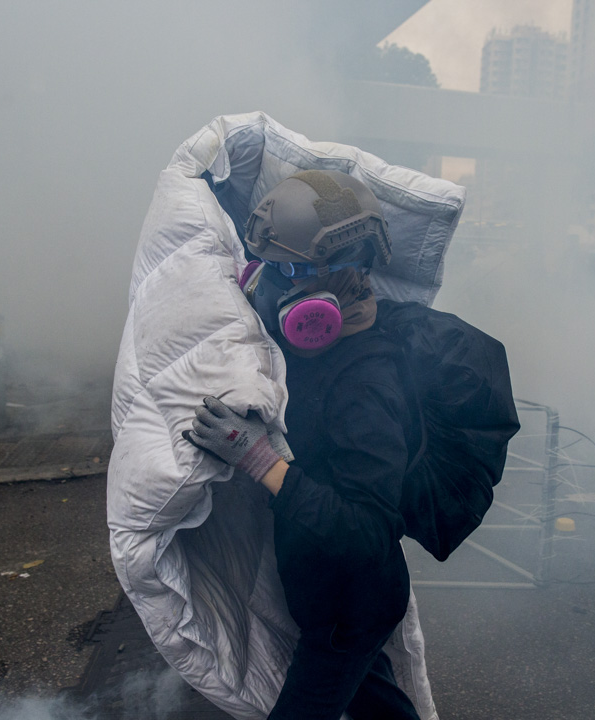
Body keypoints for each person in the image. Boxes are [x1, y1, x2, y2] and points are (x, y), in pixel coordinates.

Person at [184, 169, 423, 720]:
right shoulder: (324, 352)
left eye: (289, 271)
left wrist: (259, 459)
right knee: (377, 705)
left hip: (351, 606)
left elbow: (368, 535)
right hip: (324, 596)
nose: (272, 285)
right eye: (270, 268)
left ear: (342, 279)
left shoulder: (368, 388)